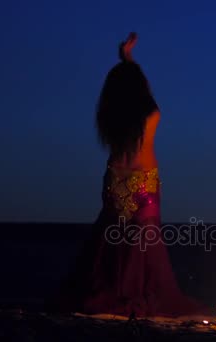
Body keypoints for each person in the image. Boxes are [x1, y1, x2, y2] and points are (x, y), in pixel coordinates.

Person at [49, 33, 204, 318]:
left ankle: (111, 289)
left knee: (112, 238)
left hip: (114, 179)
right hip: (142, 183)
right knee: (143, 242)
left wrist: (125, 61)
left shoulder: (110, 117)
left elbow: (135, 89)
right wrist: (129, 60)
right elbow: (146, 92)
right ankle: (135, 293)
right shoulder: (150, 115)